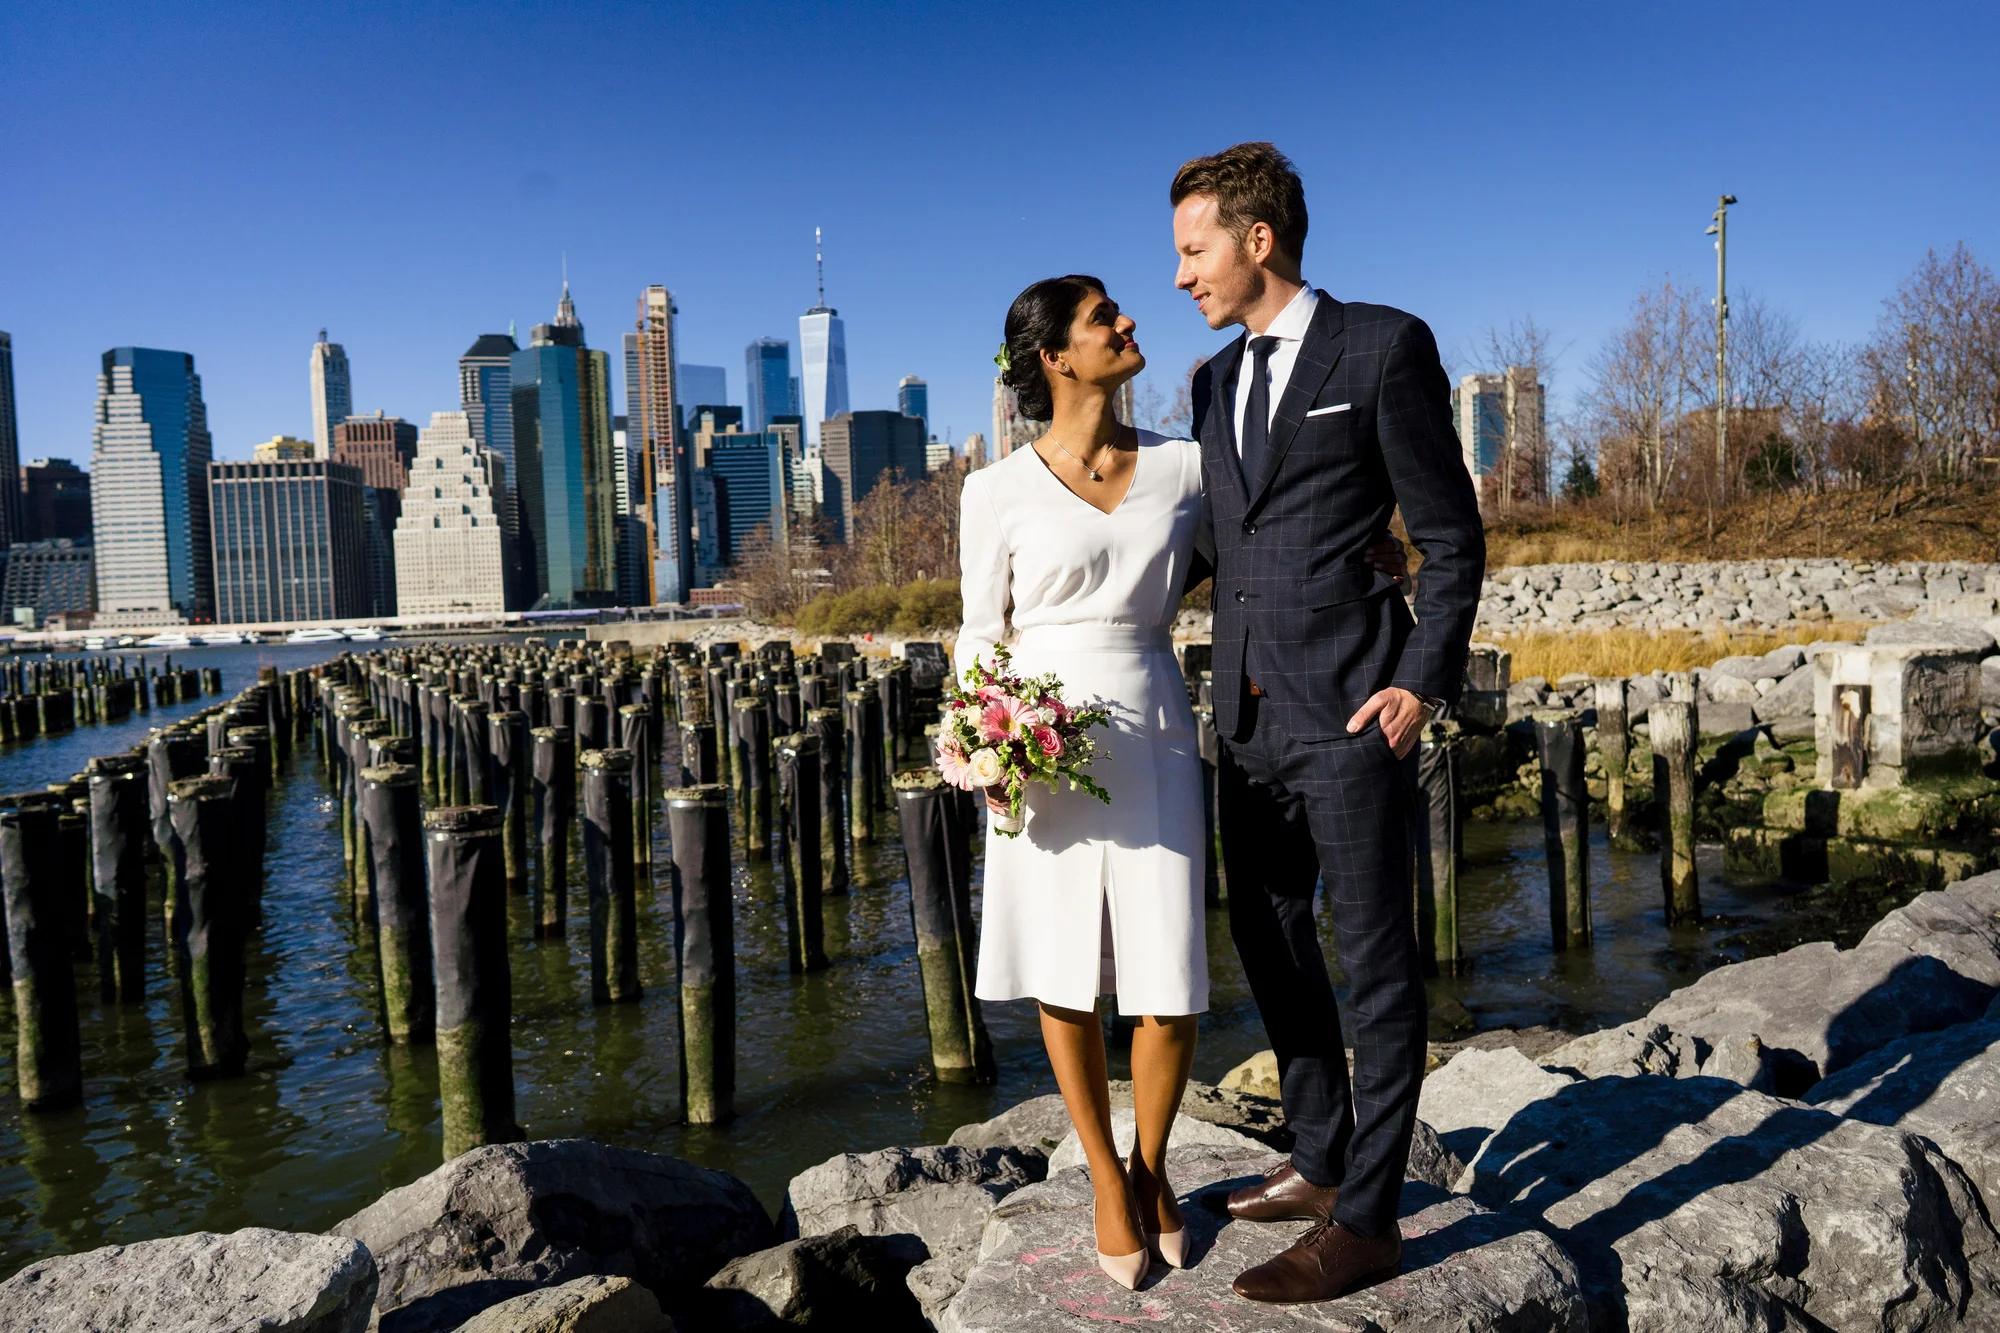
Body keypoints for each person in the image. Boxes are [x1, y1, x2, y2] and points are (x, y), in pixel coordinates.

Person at [954, 275, 1409, 1291]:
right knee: (1064, 975)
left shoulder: (1182, 461)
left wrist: (1366, 543)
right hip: (1038, 742)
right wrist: (982, 743)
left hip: (1153, 718)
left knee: (1165, 973)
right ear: (1055, 358)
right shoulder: (991, 491)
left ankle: (1150, 1165)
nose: (1129, 321)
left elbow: (1283, 510)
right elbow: (979, 635)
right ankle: (1105, 1185)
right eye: (1101, 317)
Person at [1173, 142, 1485, 1303]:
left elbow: (1450, 534)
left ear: (1257, 240)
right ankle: (1314, 1153)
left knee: (1379, 965)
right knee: (1265, 936)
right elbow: (1218, 541)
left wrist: (1419, 682)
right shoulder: (1208, 384)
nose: (1179, 275)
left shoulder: (1381, 345)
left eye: (1191, 248)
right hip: (1243, 720)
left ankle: (1368, 1217)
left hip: (1355, 709)